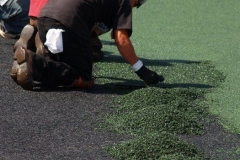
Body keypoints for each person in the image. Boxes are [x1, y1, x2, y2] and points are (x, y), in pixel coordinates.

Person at [10, 0, 164, 90]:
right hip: (67, 22)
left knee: (62, 65)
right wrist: (142, 71)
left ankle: (35, 61)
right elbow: (121, 39)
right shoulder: (124, 2)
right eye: (136, 4)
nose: (133, 7)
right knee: (83, 78)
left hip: (45, 17)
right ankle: (33, 62)